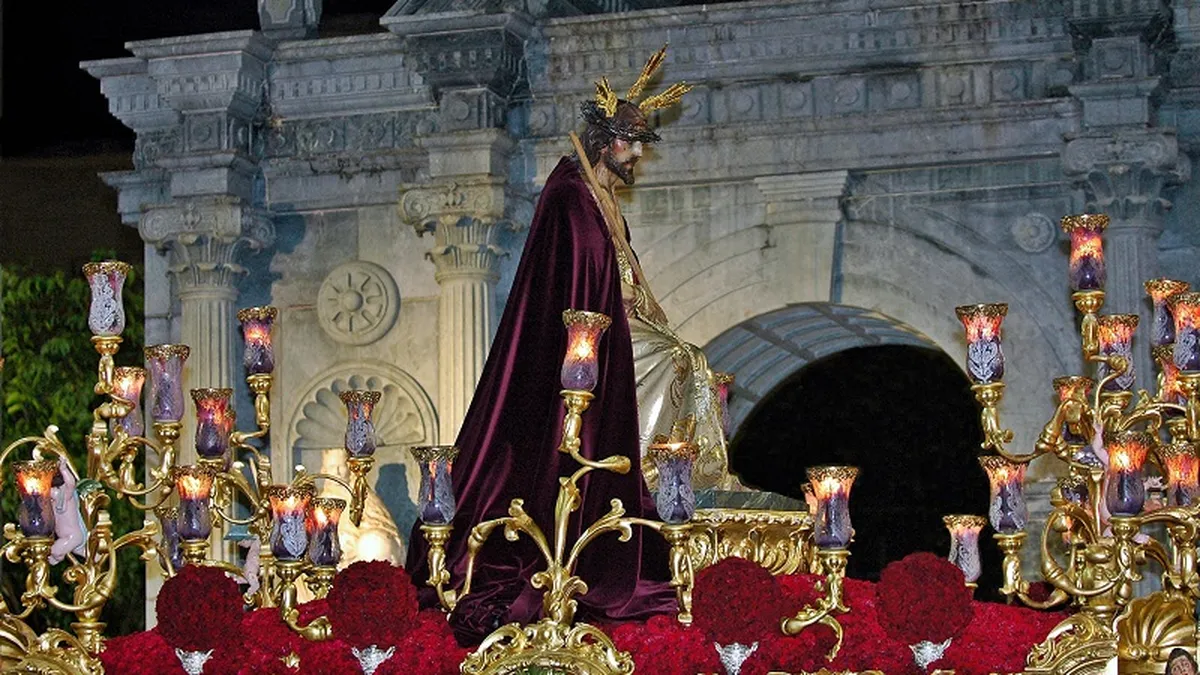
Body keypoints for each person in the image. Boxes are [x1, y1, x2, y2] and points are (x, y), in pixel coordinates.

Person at [406, 47, 726, 646]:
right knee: (675, 361)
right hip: (584, 347)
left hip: (613, 332)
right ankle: (643, 472)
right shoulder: (572, 197)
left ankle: (661, 474)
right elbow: (578, 289)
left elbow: (620, 280)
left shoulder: (602, 199)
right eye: (632, 144)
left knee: (689, 360)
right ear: (607, 142)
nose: (638, 156)